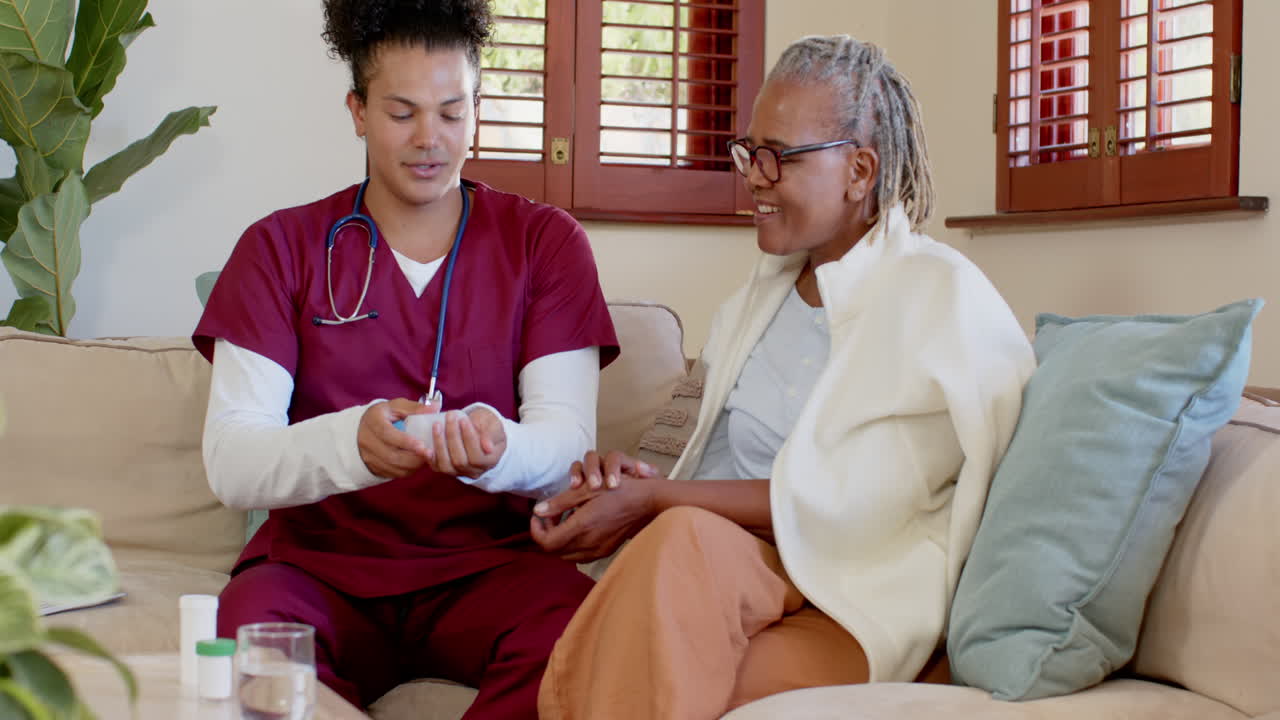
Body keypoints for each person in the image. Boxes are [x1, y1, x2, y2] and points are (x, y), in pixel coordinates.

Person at [530, 35, 1036, 720]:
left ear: (860, 170)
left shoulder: (940, 295)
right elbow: (700, 451)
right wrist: (633, 484)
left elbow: (862, 502)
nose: (755, 175)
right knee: (661, 603)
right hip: (728, 575)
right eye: (749, 151)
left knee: (674, 597)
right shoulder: (758, 298)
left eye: (780, 156)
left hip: (849, 594)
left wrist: (660, 504)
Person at [192, 1, 618, 717]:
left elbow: (565, 446)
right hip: (317, 571)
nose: (430, 139)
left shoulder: (545, 245)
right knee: (248, 642)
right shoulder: (279, 249)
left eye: (453, 112)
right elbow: (233, 462)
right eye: (402, 113)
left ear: (477, 111)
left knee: (586, 631)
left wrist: (496, 448)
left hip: (489, 569)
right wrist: (350, 443)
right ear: (357, 111)